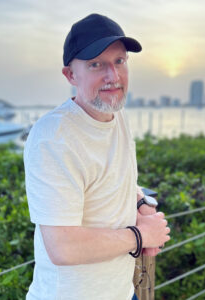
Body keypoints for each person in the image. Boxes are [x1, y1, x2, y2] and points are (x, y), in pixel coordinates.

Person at [24, 13, 171, 300]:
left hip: (122, 291)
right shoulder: (53, 137)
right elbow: (63, 247)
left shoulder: (116, 112)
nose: (113, 76)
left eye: (119, 61)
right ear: (70, 75)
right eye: (96, 64)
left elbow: (122, 178)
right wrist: (142, 236)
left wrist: (141, 203)